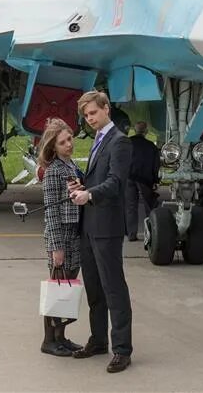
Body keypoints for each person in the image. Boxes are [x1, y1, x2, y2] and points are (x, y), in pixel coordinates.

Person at [67, 91, 133, 373]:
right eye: (86, 116)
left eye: (93, 113)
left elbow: (116, 183)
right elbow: (98, 177)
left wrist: (89, 195)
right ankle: (97, 340)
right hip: (89, 225)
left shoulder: (120, 142)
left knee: (113, 288)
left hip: (106, 227)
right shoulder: (99, 139)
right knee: (94, 288)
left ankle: (122, 349)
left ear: (106, 109)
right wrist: (81, 185)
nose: (90, 119)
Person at [37, 119, 84, 357]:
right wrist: (56, 248)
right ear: (53, 147)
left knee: (67, 290)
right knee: (56, 290)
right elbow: (51, 211)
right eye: (63, 142)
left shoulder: (71, 166)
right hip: (61, 238)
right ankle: (49, 340)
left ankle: (61, 337)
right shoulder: (54, 171)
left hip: (74, 237)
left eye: (70, 139)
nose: (69, 144)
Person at [125, 121, 160, 242]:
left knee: (130, 206)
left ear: (135, 130)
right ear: (146, 132)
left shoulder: (127, 143)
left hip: (128, 177)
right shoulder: (151, 146)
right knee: (149, 206)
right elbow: (156, 165)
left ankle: (131, 234)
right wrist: (156, 180)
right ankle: (152, 232)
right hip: (144, 179)